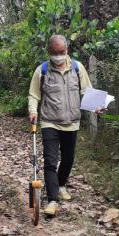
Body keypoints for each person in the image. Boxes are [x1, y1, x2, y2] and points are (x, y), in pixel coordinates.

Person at [28, 34, 100, 216]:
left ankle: (61, 185)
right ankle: (52, 200)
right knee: (50, 162)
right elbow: (34, 95)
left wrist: (97, 107)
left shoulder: (77, 68)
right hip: (49, 121)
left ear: (67, 50)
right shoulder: (42, 71)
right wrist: (33, 111)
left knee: (68, 160)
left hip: (72, 122)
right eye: (55, 52)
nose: (59, 56)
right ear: (49, 52)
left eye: (62, 52)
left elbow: (87, 92)